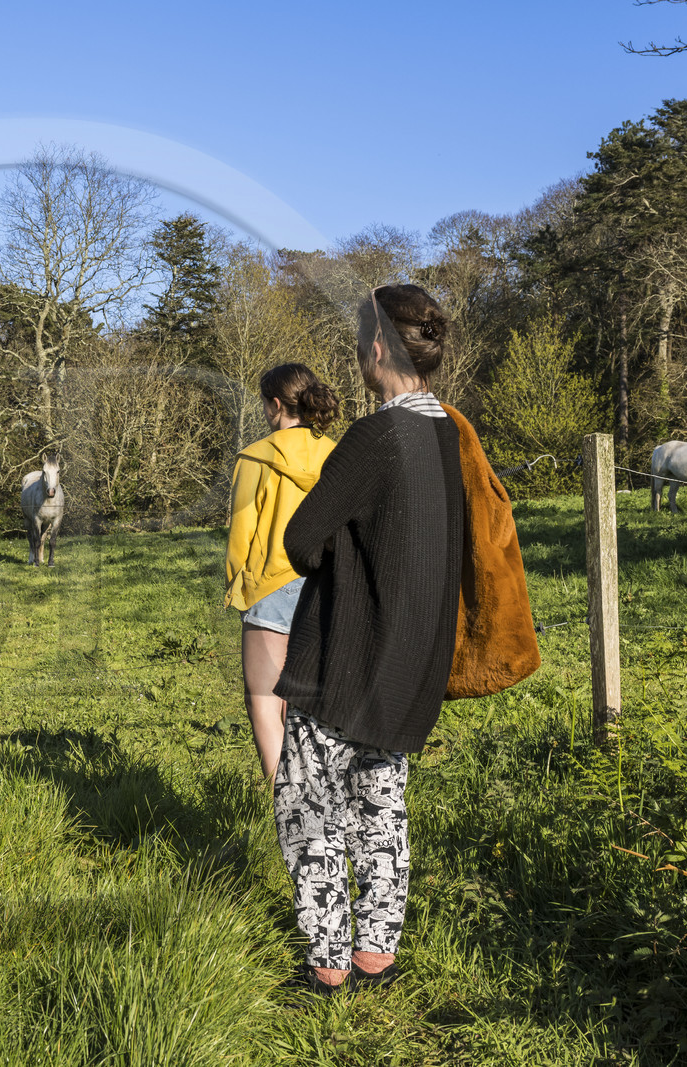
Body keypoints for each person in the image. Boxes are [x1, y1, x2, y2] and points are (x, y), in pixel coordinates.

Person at [271, 284, 464, 995]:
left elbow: (300, 538)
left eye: (359, 345)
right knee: (382, 809)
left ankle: (327, 965)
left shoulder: (376, 435)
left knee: (310, 807)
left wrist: (339, 559)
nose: (355, 357)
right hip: (412, 660)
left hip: (343, 659)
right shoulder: (446, 431)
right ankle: (377, 955)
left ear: (378, 347)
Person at [224, 364, 339, 782]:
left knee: (263, 699)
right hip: (324, 586)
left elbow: (242, 534)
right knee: (301, 701)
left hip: (270, 585)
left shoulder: (256, 456)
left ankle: (285, 802)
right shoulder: (337, 453)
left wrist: (237, 590)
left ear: (275, 405)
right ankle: (315, 788)